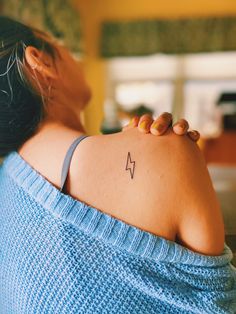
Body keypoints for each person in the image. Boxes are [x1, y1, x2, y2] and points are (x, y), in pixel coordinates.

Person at [0, 16, 235, 314]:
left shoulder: (7, 176)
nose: (72, 53)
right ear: (39, 61)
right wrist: (167, 150)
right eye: (57, 41)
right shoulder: (166, 150)